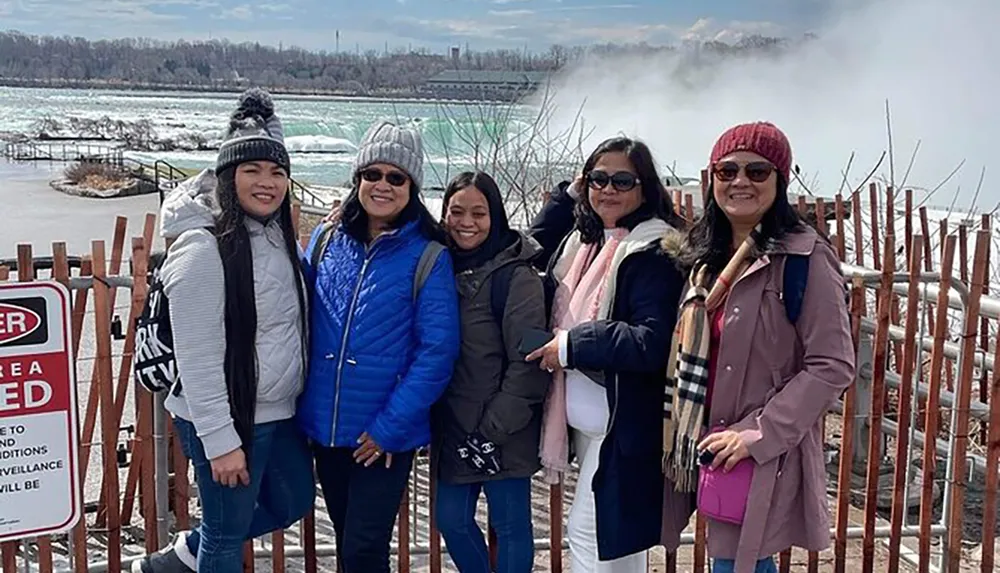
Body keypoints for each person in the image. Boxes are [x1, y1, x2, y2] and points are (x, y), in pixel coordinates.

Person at [132, 88, 313, 573]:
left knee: (293, 501)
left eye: (277, 172)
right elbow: (197, 361)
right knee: (226, 538)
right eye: (252, 170)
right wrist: (222, 442)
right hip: (227, 415)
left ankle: (178, 560)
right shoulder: (201, 249)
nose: (267, 182)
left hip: (278, 410)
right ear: (226, 177)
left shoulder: (277, 236)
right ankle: (196, 554)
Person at [663, 121, 854, 573]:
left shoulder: (805, 258)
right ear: (711, 180)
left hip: (756, 446)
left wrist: (756, 434)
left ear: (780, 180)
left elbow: (832, 365)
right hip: (698, 437)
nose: (741, 182)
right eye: (727, 171)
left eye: (757, 171)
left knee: (738, 561)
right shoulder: (701, 259)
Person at [297, 121, 460, 573]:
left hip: (381, 435)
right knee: (349, 539)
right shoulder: (327, 240)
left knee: (363, 551)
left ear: (412, 186)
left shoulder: (429, 255)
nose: (382, 185)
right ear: (357, 180)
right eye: (372, 174)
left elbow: (437, 351)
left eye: (396, 177)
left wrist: (391, 427)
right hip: (326, 428)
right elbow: (292, 303)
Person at [526, 136, 687, 572]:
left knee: (593, 536)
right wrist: (571, 193)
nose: (608, 189)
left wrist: (572, 345)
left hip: (623, 424)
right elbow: (526, 249)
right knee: (617, 547)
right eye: (598, 179)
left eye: (622, 180)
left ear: (645, 188)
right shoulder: (586, 242)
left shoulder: (653, 251)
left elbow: (651, 342)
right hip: (594, 422)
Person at [431, 171, 550, 573]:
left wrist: (494, 428)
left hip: (503, 428)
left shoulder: (518, 276)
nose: (466, 222)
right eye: (456, 211)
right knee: (451, 520)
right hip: (454, 428)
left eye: (478, 213)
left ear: (495, 216)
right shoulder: (439, 265)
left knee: (511, 525)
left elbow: (532, 360)